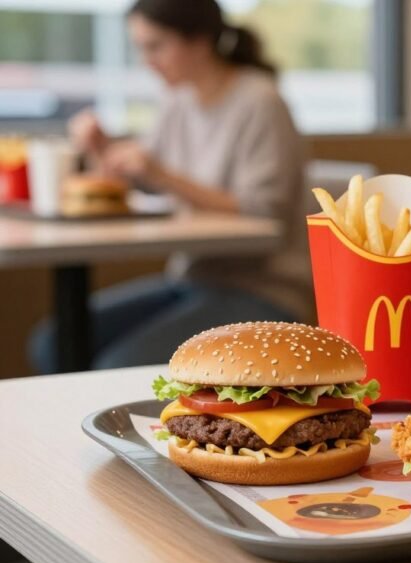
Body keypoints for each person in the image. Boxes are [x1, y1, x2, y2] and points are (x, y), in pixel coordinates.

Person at [30, 0, 310, 373]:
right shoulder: (178, 99)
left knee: (117, 364)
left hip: (264, 290)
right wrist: (103, 149)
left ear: (200, 42)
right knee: (54, 342)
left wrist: (162, 175)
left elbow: (264, 210)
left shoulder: (260, 102)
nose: (147, 61)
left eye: (156, 46)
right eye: (141, 48)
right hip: (194, 278)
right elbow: (147, 181)